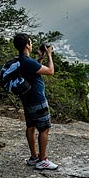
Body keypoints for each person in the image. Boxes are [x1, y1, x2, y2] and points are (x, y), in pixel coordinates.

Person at [13, 33, 58, 170]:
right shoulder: (27, 61)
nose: (31, 45)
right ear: (27, 45)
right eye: (30, 43)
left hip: (27, 99)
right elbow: (50, 71)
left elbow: (34, 70)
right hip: (37, 100)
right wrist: (49, 54)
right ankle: (42, 160)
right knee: (44, 129)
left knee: (31, 127)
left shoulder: (20, 61)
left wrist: (40, 57)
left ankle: (34, 157)